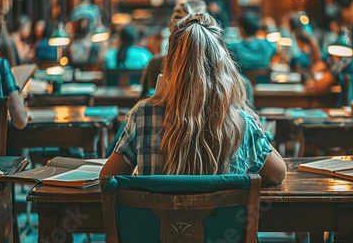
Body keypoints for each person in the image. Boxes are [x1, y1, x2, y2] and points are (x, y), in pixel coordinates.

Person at [101, 13, 286, 184]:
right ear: (222, 66)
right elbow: (278, 175)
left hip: (159, 220)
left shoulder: (143, 115)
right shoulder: (242, 122)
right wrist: (255, 125)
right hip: (222, 220)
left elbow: (107, 178)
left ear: (171, 65)